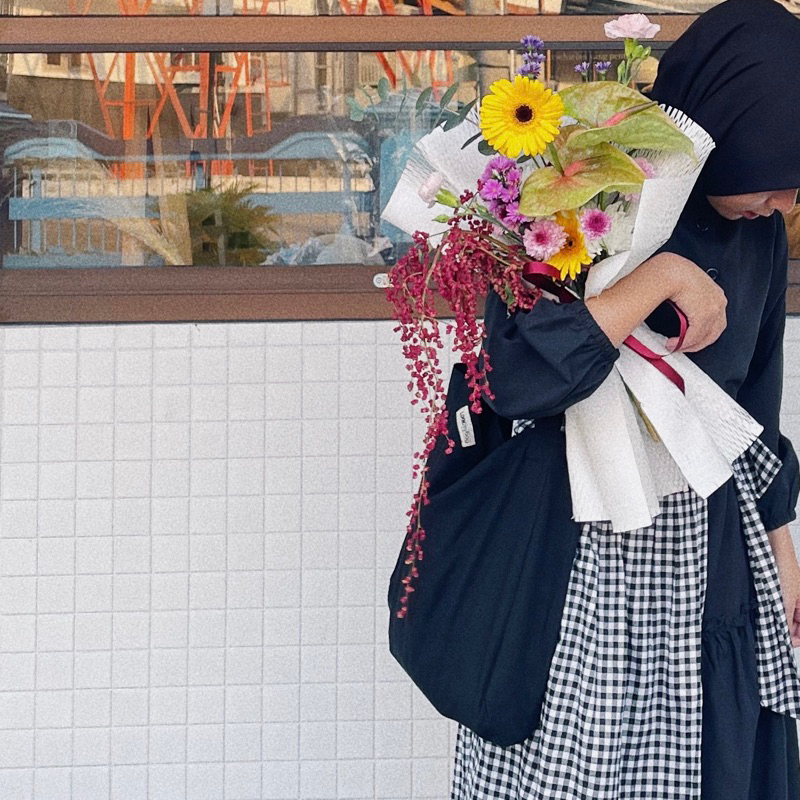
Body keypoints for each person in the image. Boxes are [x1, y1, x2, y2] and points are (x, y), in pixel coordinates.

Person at [449, 0, 800, 797]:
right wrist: (662, 279)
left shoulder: (761, 236)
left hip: (706, 533)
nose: (785, 204)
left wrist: (785, 549)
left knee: (711, 755)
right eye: (781, 176)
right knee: (570, 764)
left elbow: (757, 397)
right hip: (571, 542)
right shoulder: (588, 197)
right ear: (738, 123)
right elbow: (513, 378)